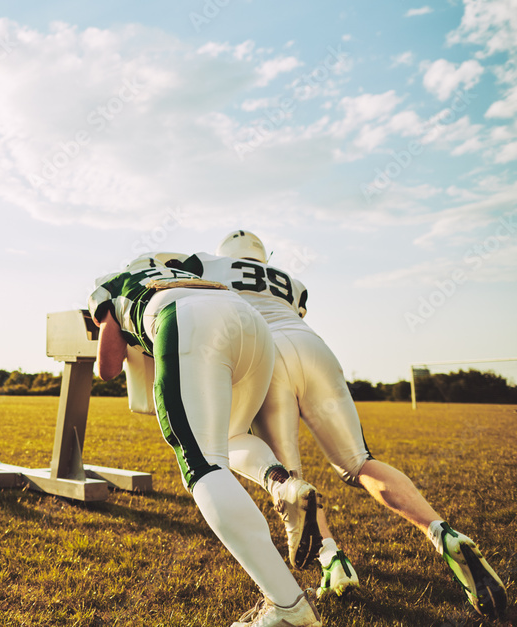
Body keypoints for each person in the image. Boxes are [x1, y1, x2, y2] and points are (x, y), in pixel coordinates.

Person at [150, 231, 508, 619]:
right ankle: (442, 532)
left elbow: (170, 279)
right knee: (359, 462)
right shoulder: (291, 282)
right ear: (262, 255)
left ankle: (331, 557)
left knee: (292, 481)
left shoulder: (205, 262)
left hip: (264, 351)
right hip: (313, 348)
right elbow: (295, 312)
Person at [90, 254, 323, 627]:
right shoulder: (179, 271)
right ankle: (282, 484)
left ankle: (287, 605)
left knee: (201, 464)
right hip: (248, 321)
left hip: (187, 319)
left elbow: (108, 367)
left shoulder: (113, 282)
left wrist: (112, 326)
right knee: (231, 436)